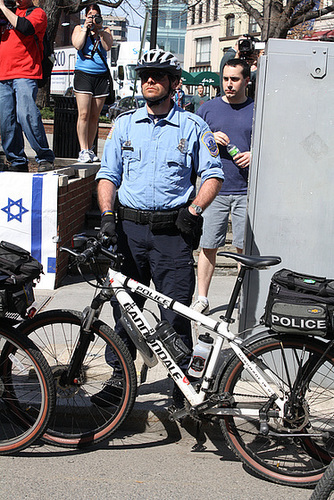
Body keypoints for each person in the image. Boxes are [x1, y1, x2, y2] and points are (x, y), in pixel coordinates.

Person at [93, 48, 223, 407]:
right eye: (145, 74)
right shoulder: (124, 124)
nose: (150, 80)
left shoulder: (193, 126)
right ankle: (120, 382)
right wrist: (106, 216)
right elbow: (108, 175)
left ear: (173, 83)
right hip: (129, 233)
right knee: (124, 313)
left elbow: (213, 174)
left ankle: (182, 388)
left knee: (175, 315)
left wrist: (194, 210)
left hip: (171, 236)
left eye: (158, 75)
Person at [193, 59, 254, 314]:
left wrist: (254, 154)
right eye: (226, 78)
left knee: (244, 248)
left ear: (246, 81)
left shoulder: (257, 109)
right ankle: (202, 298)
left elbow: (274, 141)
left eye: (235, 79)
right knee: (208, 245)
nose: (229, 84)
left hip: (247, 190)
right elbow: (192, 143)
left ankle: (243, 300)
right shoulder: (208, 109)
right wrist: (209, 138)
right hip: (214, 189)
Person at [0, 0, 55, 172]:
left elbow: (26, 28)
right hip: (3, 75)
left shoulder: (36, 12)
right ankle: (17, 161)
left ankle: (44, 157)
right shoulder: (5, 14)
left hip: (26, 72)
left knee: (26, 115)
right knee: (6, 121)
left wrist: (2, 7)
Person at [72, 4, 113, 163]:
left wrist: (100, 30)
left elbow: (107, 46)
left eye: (96, 16)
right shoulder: (78, 29)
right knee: (83, 113)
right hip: (83, 74)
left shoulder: (105, 31)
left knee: (95, 116)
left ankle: (90, 148)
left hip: (101, 76)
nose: (93, 19)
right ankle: (83, 149)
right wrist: (85, 28)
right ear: (85, 16)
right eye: (90, 16)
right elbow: (78, 45)